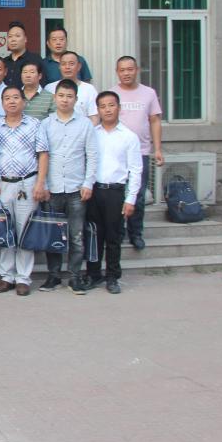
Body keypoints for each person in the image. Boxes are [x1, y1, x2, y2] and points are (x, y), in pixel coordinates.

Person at [0, 86, 49, 297]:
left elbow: (43, 154)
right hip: (2, 183)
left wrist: (40, 183)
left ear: (23, 102)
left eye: (16, 97)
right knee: (4, 230)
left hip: (27, 183)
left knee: (25, 231)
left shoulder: (35, 124)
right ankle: (6, 276)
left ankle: (23, 278)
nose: (12, 101)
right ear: (2, 103)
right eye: (7, 98)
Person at [40, 79, 98, 294]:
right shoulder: (45, 124)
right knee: (52, 235)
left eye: (69, 96)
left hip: (76, 189)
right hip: (52, 189)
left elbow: (92, 155)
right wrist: (43, 184)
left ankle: (75, 277)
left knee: (76, 236)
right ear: (55, 98)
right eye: (61, 96)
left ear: (76, 99)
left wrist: (88, 183)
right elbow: (42, 156)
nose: (65, 100)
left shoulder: (85, 124)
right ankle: (53, 276)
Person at [85, 91, 142, 295]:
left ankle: (112, 276)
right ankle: (93, 274)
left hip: (115, 192)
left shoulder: (129, 136)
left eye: (111, 105)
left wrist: (130, 199)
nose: (107, 110)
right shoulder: (92, 133)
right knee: (93, 235)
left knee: (113, 236)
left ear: (119, 107)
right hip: (94, 191)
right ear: (98, 110)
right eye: (102, 106)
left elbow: (135, 170)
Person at [111, 55, 165, 250]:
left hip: (141, 152)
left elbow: (155, 121)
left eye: (130, 69)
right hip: (116, 153)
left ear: (137, 70)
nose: (126, 73)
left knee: (138, 195)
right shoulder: (112, 93)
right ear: (117, 72)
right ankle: (118, 231)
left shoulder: (148, 93)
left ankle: (136, 233)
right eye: (122, 70)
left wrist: (157, 149)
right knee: (117, 195)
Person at [44, 51, 99, 122]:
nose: (67, 67)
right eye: (63, 64)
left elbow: (94, 117)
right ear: (59, 66)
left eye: (71, 64)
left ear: (79, 66)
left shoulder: (89, 89)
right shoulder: (49, 88)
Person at [2, 21, 43, 89]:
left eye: (17, 36)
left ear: (25, 39)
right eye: (10, 36)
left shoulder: (35, 59)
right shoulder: (4, 62)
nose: (13, 39)